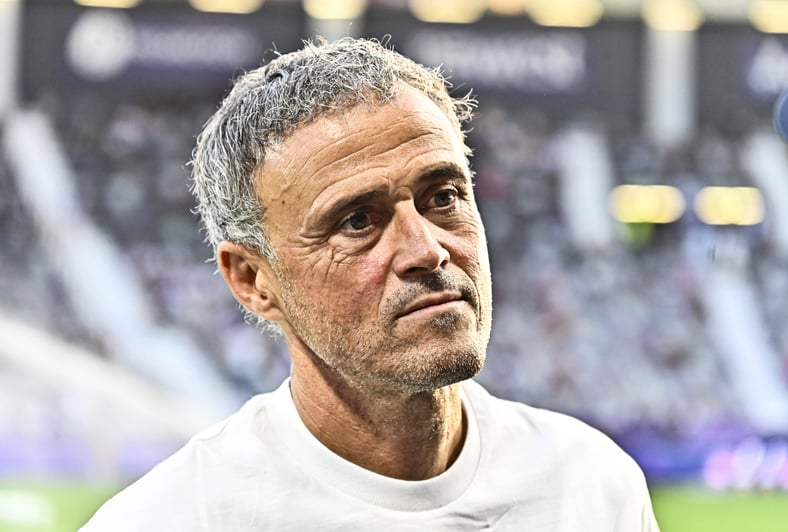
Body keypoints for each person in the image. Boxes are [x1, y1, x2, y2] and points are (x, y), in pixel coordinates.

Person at [81, 37, 660, 531]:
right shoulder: (172, 519)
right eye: (357, 221)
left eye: (444, 197)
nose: (427, 249)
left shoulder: (592, 487)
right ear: (252, 279)